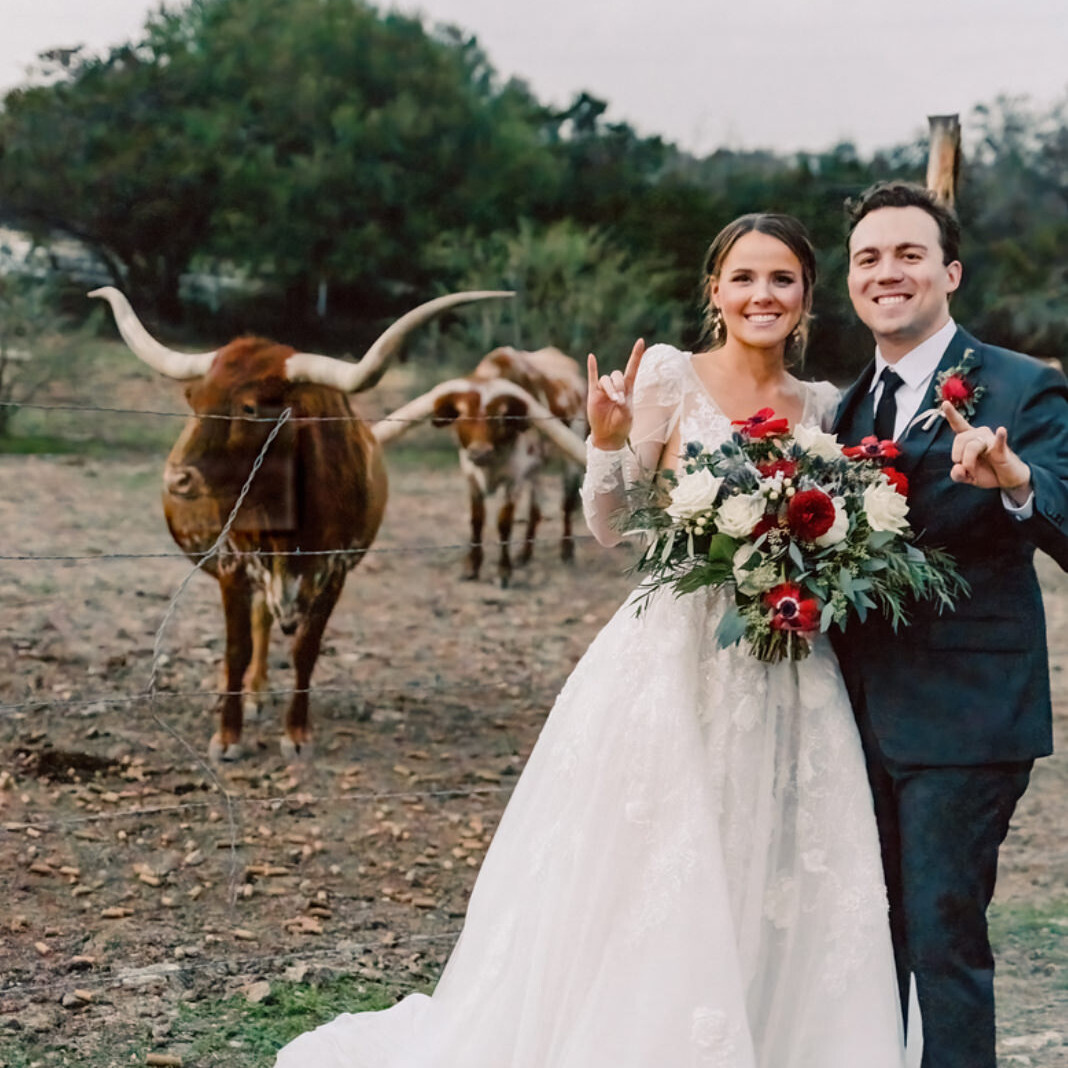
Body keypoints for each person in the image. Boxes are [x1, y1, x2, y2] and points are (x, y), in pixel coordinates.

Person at [275, 214, 906, 1067]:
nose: (764, 295)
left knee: (780, 863)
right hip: (677, 656)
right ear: (715, 292)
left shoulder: (828, 405)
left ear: (806, 299)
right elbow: (610, 527)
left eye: (783, 280)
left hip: (788, 664)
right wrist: (607, 444)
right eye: (745, 278)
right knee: (659, 859)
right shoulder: (669, 381)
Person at [832, 180, 1068, 1068]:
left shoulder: (1022, 385)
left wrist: (1015, 486)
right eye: (868, 258)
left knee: (941, 939)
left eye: (908, 254)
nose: (887, 273)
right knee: (869, 941)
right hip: (853, 716)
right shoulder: (849, 408)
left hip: (968, 719)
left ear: (949, 272)